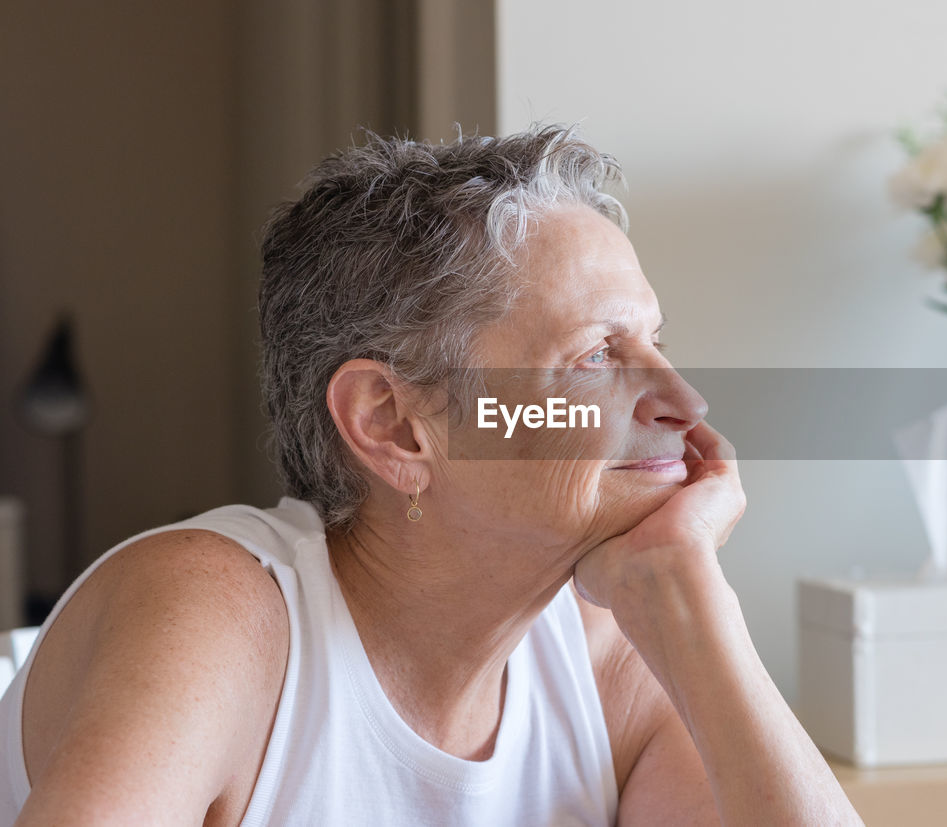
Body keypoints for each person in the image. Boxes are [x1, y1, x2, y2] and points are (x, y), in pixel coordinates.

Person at [0, 126, 862, 825]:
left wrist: (694, 597)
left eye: (657, 344)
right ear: (395, 425)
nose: (684, 398)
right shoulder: (215, 614)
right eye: (598, 356)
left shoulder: (611, 653)